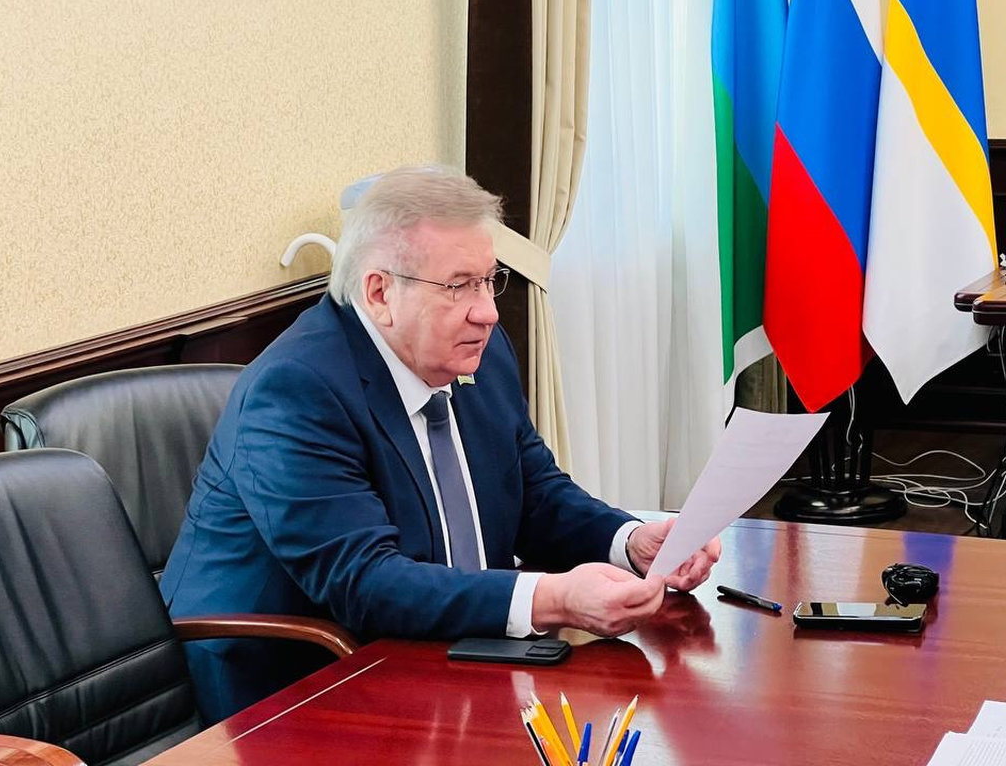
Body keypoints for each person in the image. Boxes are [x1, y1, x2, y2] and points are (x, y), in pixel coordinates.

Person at [160, 165, 721, 723]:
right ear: (380, 293)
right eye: (459, 286)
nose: (488, 311)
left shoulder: (480, 353)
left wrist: (630, 541)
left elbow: (532, 490)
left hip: (442, 660)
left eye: (489, 280)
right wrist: (553, 598)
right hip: (289, 695)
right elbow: (364, 581)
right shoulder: (296, 390)